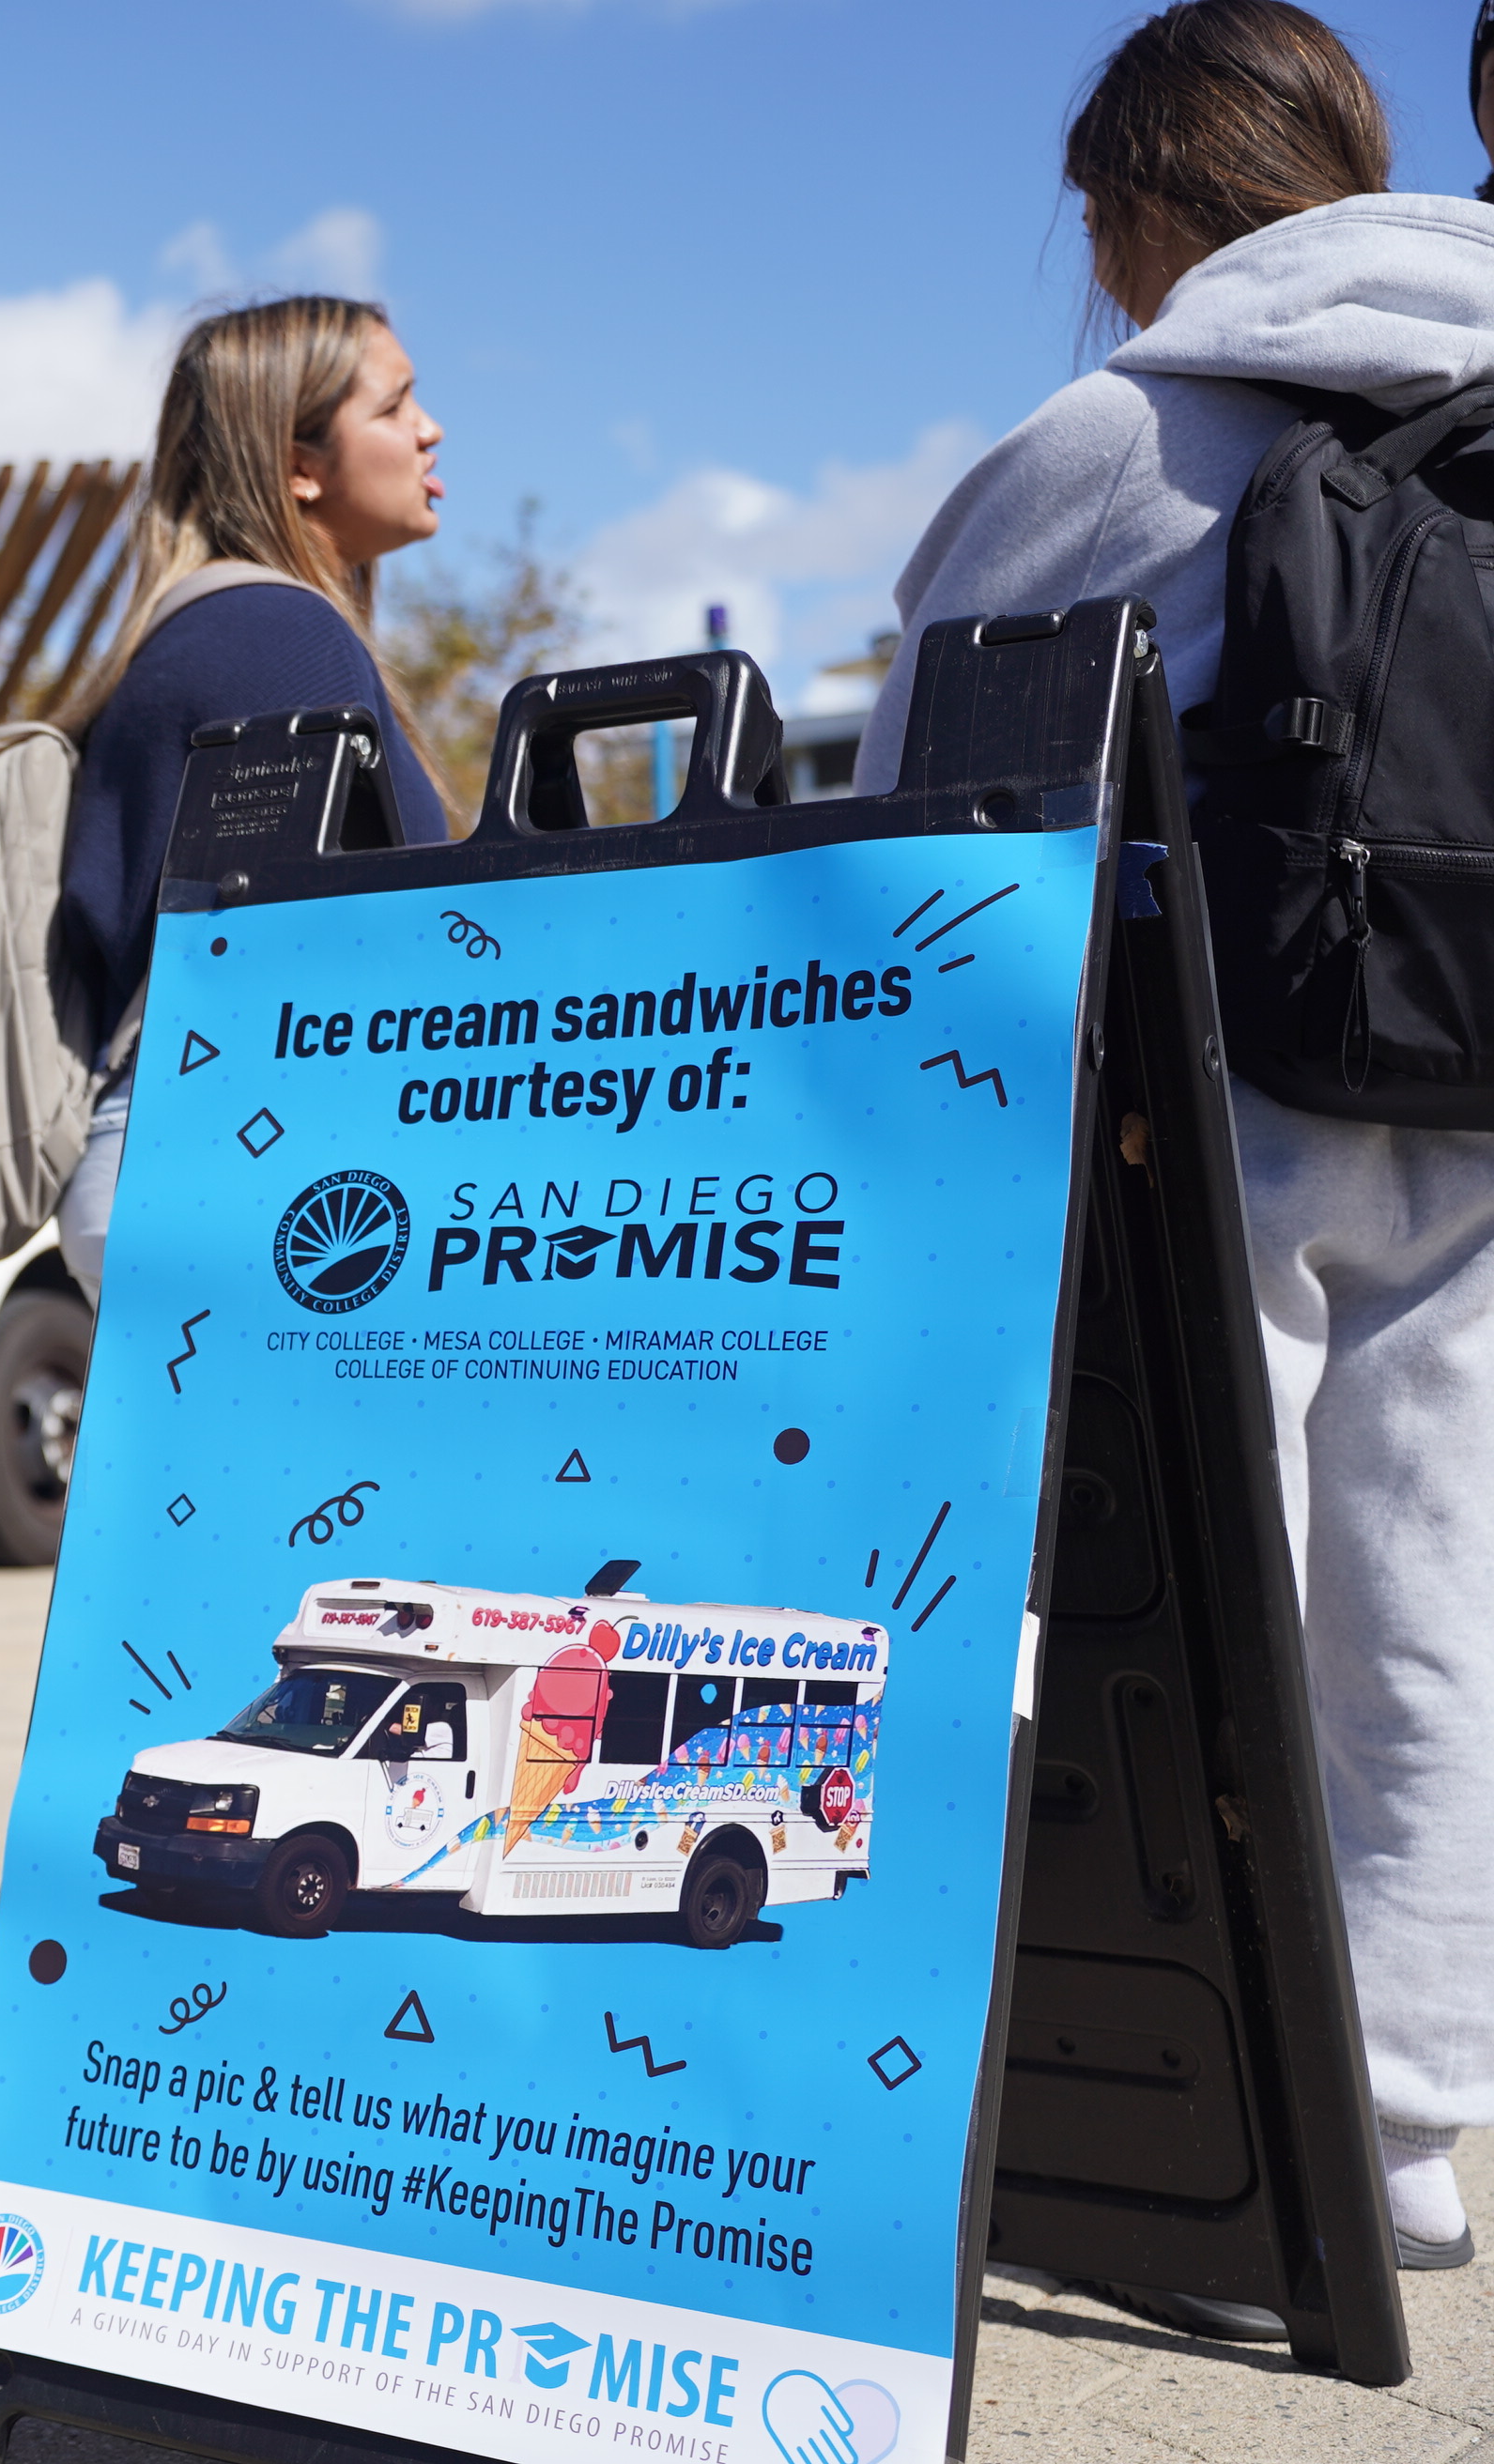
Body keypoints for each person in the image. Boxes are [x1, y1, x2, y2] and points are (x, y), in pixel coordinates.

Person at [855, 0, 1494, 2324]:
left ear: (1141, 199)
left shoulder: (1119, 432)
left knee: (1193, 1581)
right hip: (1473, 1062)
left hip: (1197, 1076)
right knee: (1437, 1574)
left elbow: (930, 767)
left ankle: (1187, 2122)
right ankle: (1405, 2116)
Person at [50, 297, 454, 1310]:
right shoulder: (283, 637)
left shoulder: (198, 630)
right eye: (396, 403)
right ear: (298, 466)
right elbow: (311, 969)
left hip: (176, 1142)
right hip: (252, 1161)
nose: (429, 427)